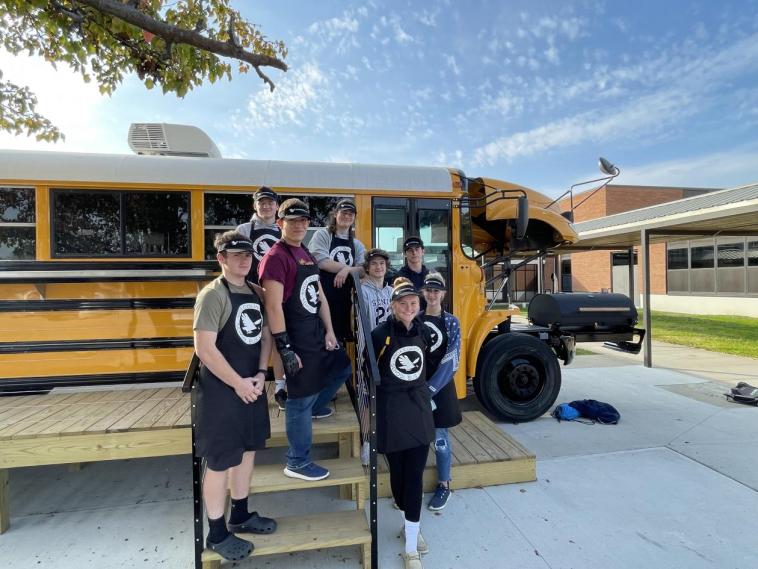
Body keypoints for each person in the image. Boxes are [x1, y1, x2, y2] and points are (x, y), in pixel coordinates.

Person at [193, 230, 277, 561]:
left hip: (251, 386)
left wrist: (259, 374)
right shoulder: (213, 295)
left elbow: (265, 338)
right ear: (221, 259)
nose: (244, 260)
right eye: (236, 255)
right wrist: (238, 383)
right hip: (222, 393)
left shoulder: (256, 293)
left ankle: (240, 514)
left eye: (247, 255)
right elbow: (205, 349)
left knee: (247, 452)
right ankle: (216, 532)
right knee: (220, 462)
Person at [259, 198, 352, 482]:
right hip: (295, 335)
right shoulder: (275, 258)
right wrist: (285, 349)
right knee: (299, 399)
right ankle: (297, 461)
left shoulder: (305, 253)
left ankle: (314, 407)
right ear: (280, 224)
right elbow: (274, 308)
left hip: (315, 332)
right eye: (292, 221)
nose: (299, 225)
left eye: (303, 220)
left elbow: (319, 294)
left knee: (342, 366)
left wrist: (330, 331)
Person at [372, 277, 435, 569]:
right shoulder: (379, 334)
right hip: (391, 411)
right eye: (404, 303)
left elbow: (430, 366)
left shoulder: (425, 332)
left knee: (414, 477)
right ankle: (410, 523)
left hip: (419, 409)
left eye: (414, 303)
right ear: (393, 306)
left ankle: (411, 548)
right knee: (398, 478)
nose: (410, 307)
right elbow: (367, 369)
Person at [236, 187, 289, 411]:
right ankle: (246, 385)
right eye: (262, 202)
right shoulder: (244, 229)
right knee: (248, 339)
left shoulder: (282, 229)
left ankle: (279, 387)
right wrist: (254, 289)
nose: (266, 206)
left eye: (270, 202)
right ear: (255, 206)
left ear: (277, 206)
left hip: (277, 295)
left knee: (277, 339)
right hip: (250, 293)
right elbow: (236, 262)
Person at [419, 272, 462, 511]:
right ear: (423, 293)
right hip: (416, 387)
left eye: (437, 290)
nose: (433, 295)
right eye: (429, 290)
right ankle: (411, 483)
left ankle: (444, 484)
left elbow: (452, 358)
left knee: (441, 438)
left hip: (440, 388)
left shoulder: (451, 322)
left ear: (443, 294)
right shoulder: (414, 318)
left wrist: (431, 388)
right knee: (415, 436)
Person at [309, 199, 366, 343]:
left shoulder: (357, 244)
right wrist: (347, 268)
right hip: (322, 296)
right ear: (335, 214)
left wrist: (347, 270)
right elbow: (322, 262)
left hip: (345, 300)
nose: (347, 216)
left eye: (351, 214)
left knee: (342, 341)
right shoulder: (323, 235)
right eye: (344, 213)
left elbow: (363, 269)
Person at [360, 248, 393, 330]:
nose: (378, 267)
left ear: (386, 266)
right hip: (372, 340)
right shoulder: (362, 291)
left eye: (382, 263)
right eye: (374, 263)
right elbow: (359, 324)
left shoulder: (391, 291)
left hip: (390, 340)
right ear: (367, 268)